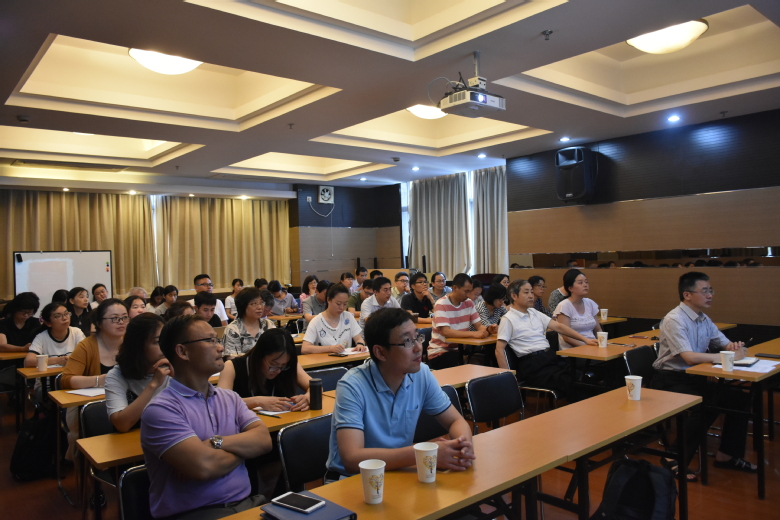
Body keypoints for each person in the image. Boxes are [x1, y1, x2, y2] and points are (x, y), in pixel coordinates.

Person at [141, 315, 272, 520]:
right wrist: (245, 450)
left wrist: (215, 443)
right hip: (195, 514)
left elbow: (264, 441)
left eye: (217, 340)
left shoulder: (230, 398)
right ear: (182, 352)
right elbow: (204, 467)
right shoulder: (161, 410)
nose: (220, 347)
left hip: (247, 504)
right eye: (210, 341)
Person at [326, 308, 475, 479]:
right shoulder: (352, 385)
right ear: (380, 352)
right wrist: (424, 454)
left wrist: (464, 446)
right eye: (407, 342)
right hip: (353, 479)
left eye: (417, 337)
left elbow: (456, 421)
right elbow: (352, 459)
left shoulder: (421, 373)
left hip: (398, 471)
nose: (418, 347)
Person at [653, 272, 755, 479]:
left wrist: (734, 347)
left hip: (694, 377)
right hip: (669, 379)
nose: (710, 295)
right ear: (687, 295)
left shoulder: (703, 318)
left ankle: (727, 455)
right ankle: (674, 457)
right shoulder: (674, 319)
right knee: (705, 404)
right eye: (705, 291)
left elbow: (724, 343)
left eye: (711, 291)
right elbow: (689, 357)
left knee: (739, 399)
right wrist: (725, 356)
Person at [61, 298, 128, 458]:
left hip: (127, 401)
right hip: (93, 405)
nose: (121, 322)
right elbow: (66, 379)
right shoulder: (87, 346)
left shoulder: (132, 343)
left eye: (125, 317)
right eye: (114, 318)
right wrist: (99, 380)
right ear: (99, 323)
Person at [105, 313, 172, 432]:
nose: (165, 346)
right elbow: (122, 424)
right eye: (157, 342)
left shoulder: (175, 369)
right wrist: (154, 384)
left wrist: (181, 378)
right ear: (138, 345)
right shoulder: (116, 375)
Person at [219, 328, 312, 412]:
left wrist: (307, 397)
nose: (278, 371)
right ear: (259, 356)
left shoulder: (289, 365)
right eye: (273, 364)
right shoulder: (231, 367)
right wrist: (257, 401)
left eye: (283, 366)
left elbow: (315, 387)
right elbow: (221, 403)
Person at [25, 302, 85, 397]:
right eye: (58, 316)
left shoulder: (76, 332)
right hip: (46, 385)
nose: (65, 318)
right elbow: (28, 361)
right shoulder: (41, 337)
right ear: (48, 323)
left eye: (66, 314)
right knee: (62, 397)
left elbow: (86, 356)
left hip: (72, 381)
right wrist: (58, 360)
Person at [429, 273, 488, 369]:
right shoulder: (441, 304)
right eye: (466, 291)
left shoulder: (469, 303)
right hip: (441, 352)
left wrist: (487, 330)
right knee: (466, 363)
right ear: (455, 288)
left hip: (460, 349)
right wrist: (474, 334)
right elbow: (446, 332)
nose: (468, 295)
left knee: (485, 355)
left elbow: (478, 326)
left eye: (470, 291)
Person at [302, 284, 367, 355]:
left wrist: (360, 345)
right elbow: (305, 348)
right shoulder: (316, 321)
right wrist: (330, 348)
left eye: (345, 304)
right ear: (328, 300)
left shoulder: (348, 317)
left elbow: (359, 338)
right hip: (325, 361)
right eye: (338, 304)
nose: (342, 307)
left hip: (347, 360)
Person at [553, 269, 602, 349]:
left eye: (586, 282)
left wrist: (602, 343)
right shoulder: (564, 306)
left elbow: (598, 329)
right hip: (574, 351)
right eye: (580, 283)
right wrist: (587, 348)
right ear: (570, 288)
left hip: (592, 346)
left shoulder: (590, 303)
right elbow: (567, 338)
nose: (585, 285)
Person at [222, 287, 276, 358]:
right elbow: (232, 358)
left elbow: (277, 350)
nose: (260, 307)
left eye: (261, 302)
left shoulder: (268, 325)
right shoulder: (233, 330)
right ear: (243, 306)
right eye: (254, 303)